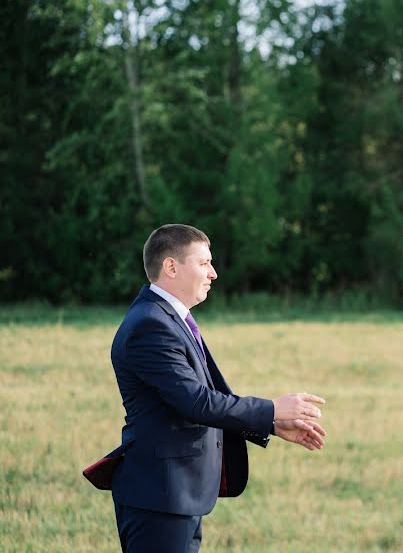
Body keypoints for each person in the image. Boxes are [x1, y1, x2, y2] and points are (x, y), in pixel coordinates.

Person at [84, 224, 328, 553]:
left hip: (177, 494)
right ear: (171, 267)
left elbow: (202, 399)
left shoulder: (168, 318)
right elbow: (196, 402)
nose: (213, 273)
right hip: (160, 495)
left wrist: (270, 424)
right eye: (203, 263)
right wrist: (271, 408)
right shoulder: (150, 326)